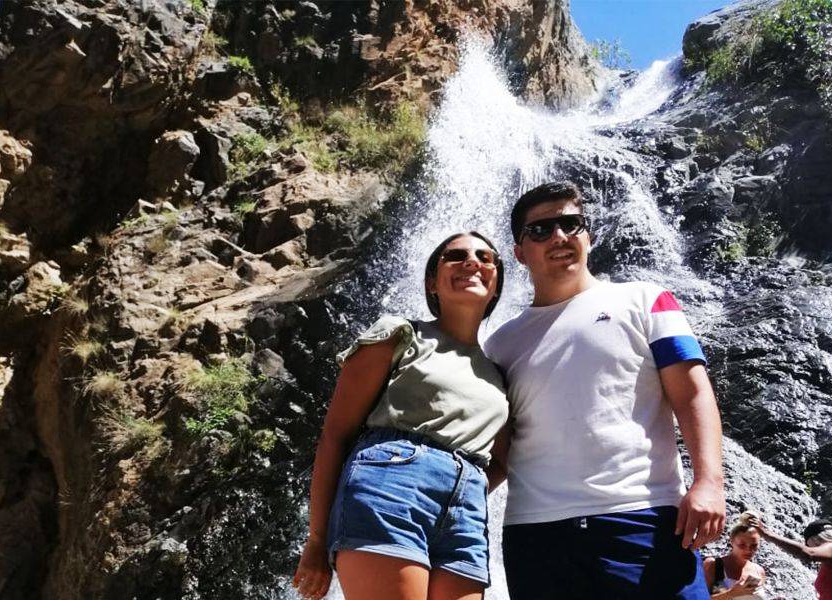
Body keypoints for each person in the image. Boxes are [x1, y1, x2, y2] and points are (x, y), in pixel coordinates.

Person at [483, 180, 725, 599]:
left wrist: (709, 482)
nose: (559, 236)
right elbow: (500, 453)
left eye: (570, 224)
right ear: (520, 253)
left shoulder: (645, 300)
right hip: (536, 535)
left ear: (589, 235)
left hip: (642, 517)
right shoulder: (499, 344)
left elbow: (692, 394)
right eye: (540, 230)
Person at [293, 232, 510, 600]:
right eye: (456, 256)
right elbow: (335, 435)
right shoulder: (401, 335)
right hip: (389, 488)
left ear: (496, 286)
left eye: (485, 258)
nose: (472, 262)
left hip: (466, 517)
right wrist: (316, 539)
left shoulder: (500, 375)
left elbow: (501, 461)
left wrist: (456, 488)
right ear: (432, 282)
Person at [750, 517, 832, 600]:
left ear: (816, 540)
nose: (812, 548)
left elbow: (808, 553)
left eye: (810, 545)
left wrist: (767, 534)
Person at [703, 512, 767, 598]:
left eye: (754, 545)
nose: (748, 550)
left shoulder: (759, 571)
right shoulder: (713, 565)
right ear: (732, 541)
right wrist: (731, 593)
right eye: (742, 545)